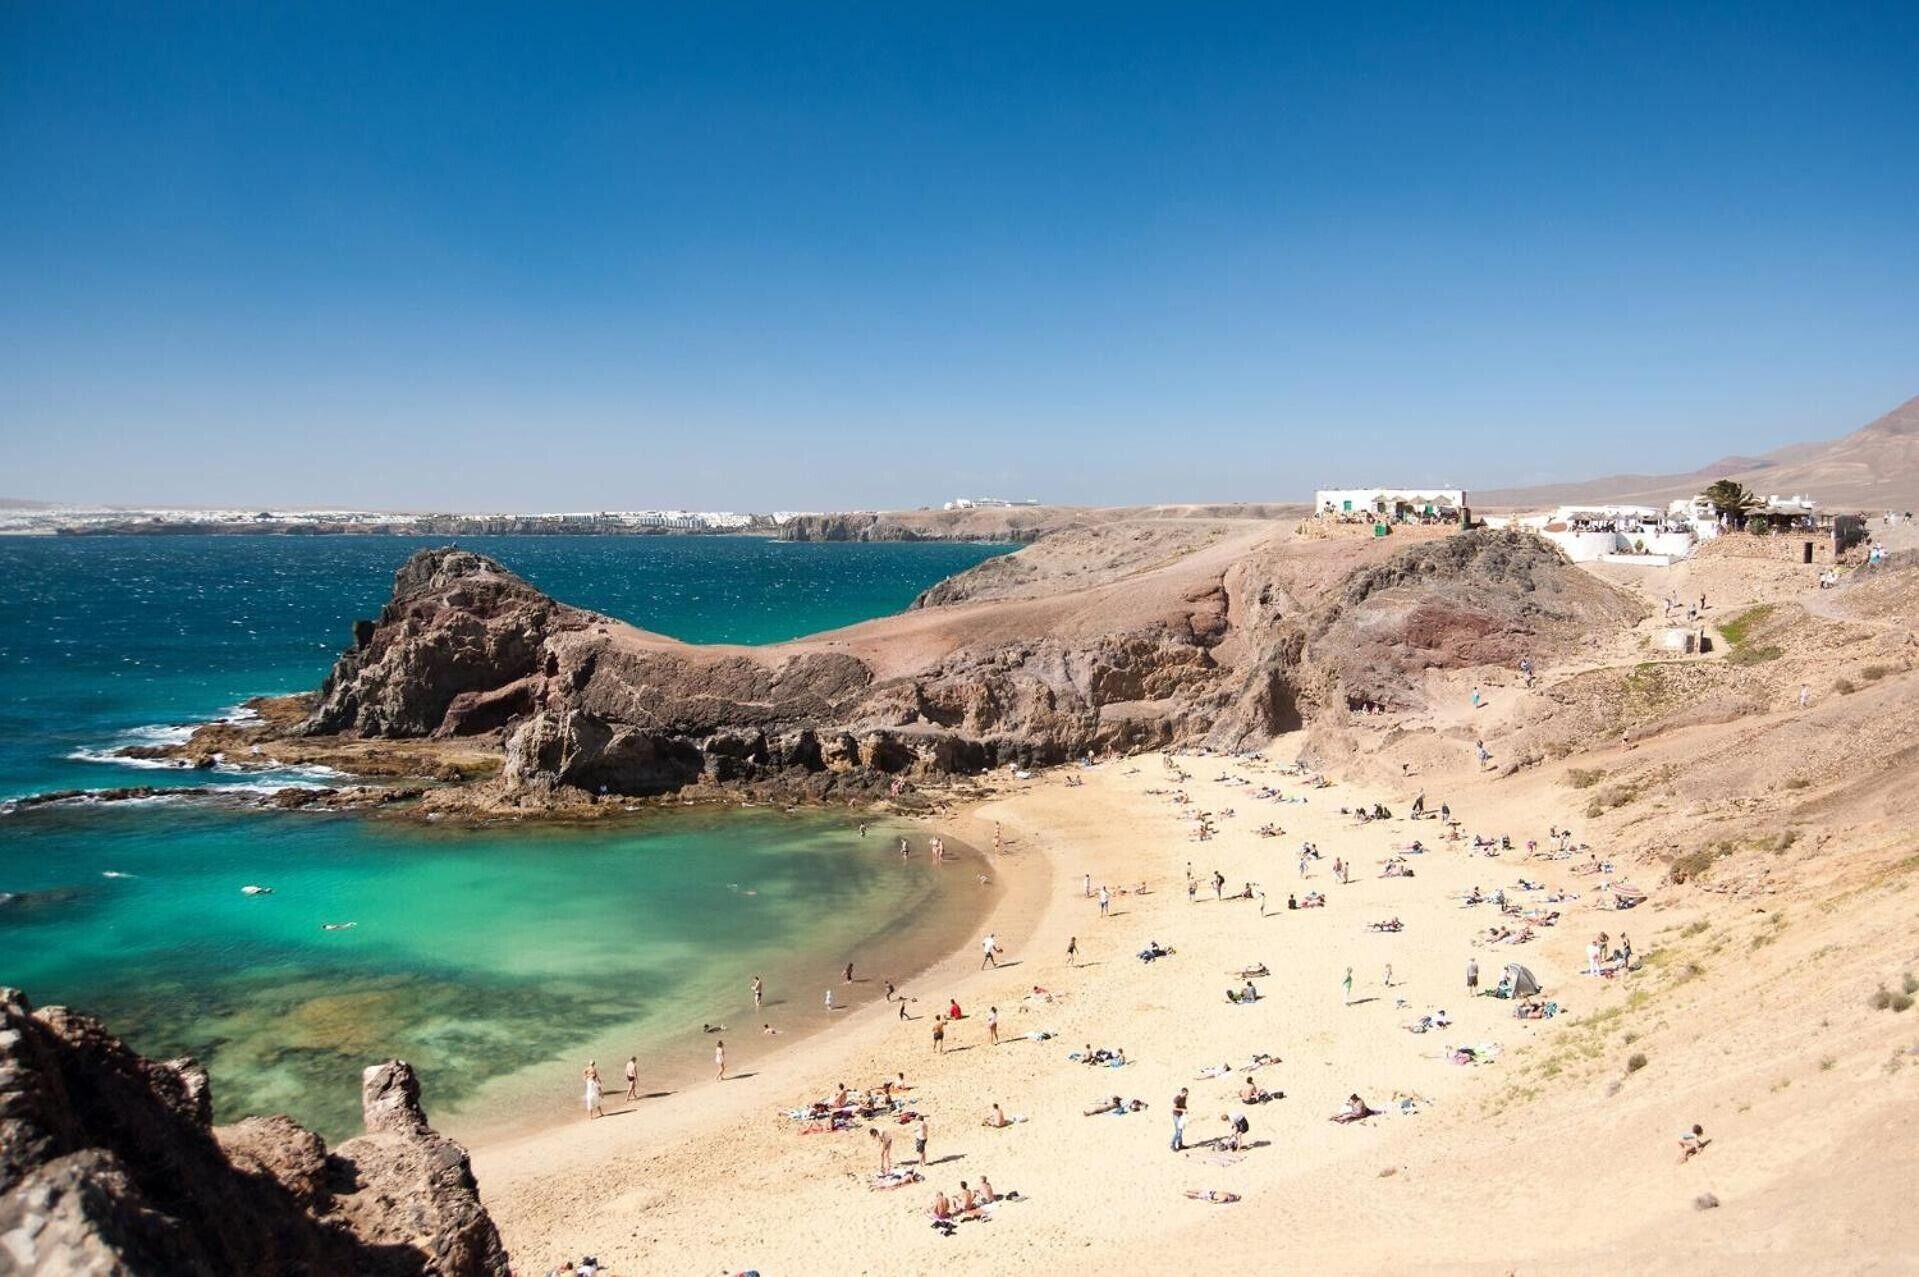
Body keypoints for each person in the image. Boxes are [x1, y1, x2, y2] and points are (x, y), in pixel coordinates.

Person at [1171, 1087, 1189, 1151]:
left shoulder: (1184, 1098)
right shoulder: (1177, 1099)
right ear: (1182, 1092)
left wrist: (1185, 1109)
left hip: (1181, 1116)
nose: (1186, 1095)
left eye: (1187, 1094)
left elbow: (1183, 1105)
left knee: (1180, 1130)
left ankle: (1180, 1144)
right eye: (1185, 1094)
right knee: (1178, 1131)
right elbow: (1174, 1108)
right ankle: (1172, 1144)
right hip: (1176, 1116)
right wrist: (1182, 1109)